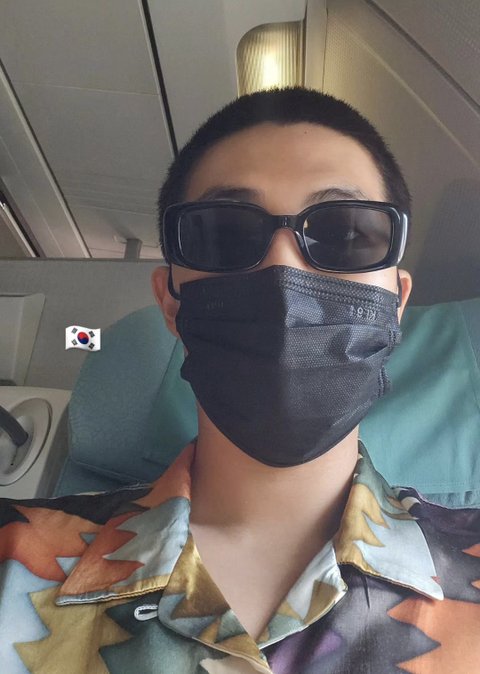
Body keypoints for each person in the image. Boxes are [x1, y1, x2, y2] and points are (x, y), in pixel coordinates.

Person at [1, 87, 479, 674]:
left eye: (345, 235)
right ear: (171, 303)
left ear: (396, 304)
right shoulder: (11, 555)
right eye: (226, 234)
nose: (283, 269)